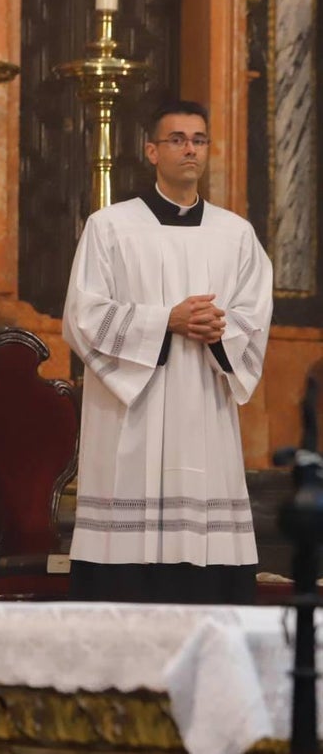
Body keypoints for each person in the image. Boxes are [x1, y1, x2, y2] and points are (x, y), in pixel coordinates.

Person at [62, 100, 273, 604]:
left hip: (203, 402)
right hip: (131, 410)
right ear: (152, 151)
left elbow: (254, 314)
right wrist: (166, 321)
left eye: (199, 139)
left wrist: (217, 329)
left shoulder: (235, 234)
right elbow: (83, 316)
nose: (190, 149)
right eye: (177, 139)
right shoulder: (110, 227)